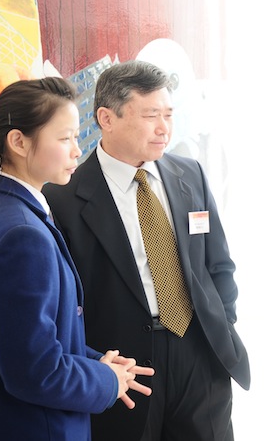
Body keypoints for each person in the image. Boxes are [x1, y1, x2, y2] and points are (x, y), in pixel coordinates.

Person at [43, 60, 250, 441]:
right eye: (151, 115)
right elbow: (63, 303)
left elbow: (218, 263)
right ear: (107, 118)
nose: (164, 128)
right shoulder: (62, 197)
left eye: (168, 114)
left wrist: (222, 324)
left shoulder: (190, 174)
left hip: (198, 350)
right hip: (123, 364)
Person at [0, 78, 154, 441]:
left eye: (76, 136)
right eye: (65, 138)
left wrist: (95, 363)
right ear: (19, 142)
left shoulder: (3, 207)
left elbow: (25, 339)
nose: (77, 150)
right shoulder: (22, 235)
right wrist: (106, 380)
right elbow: (34, 371)